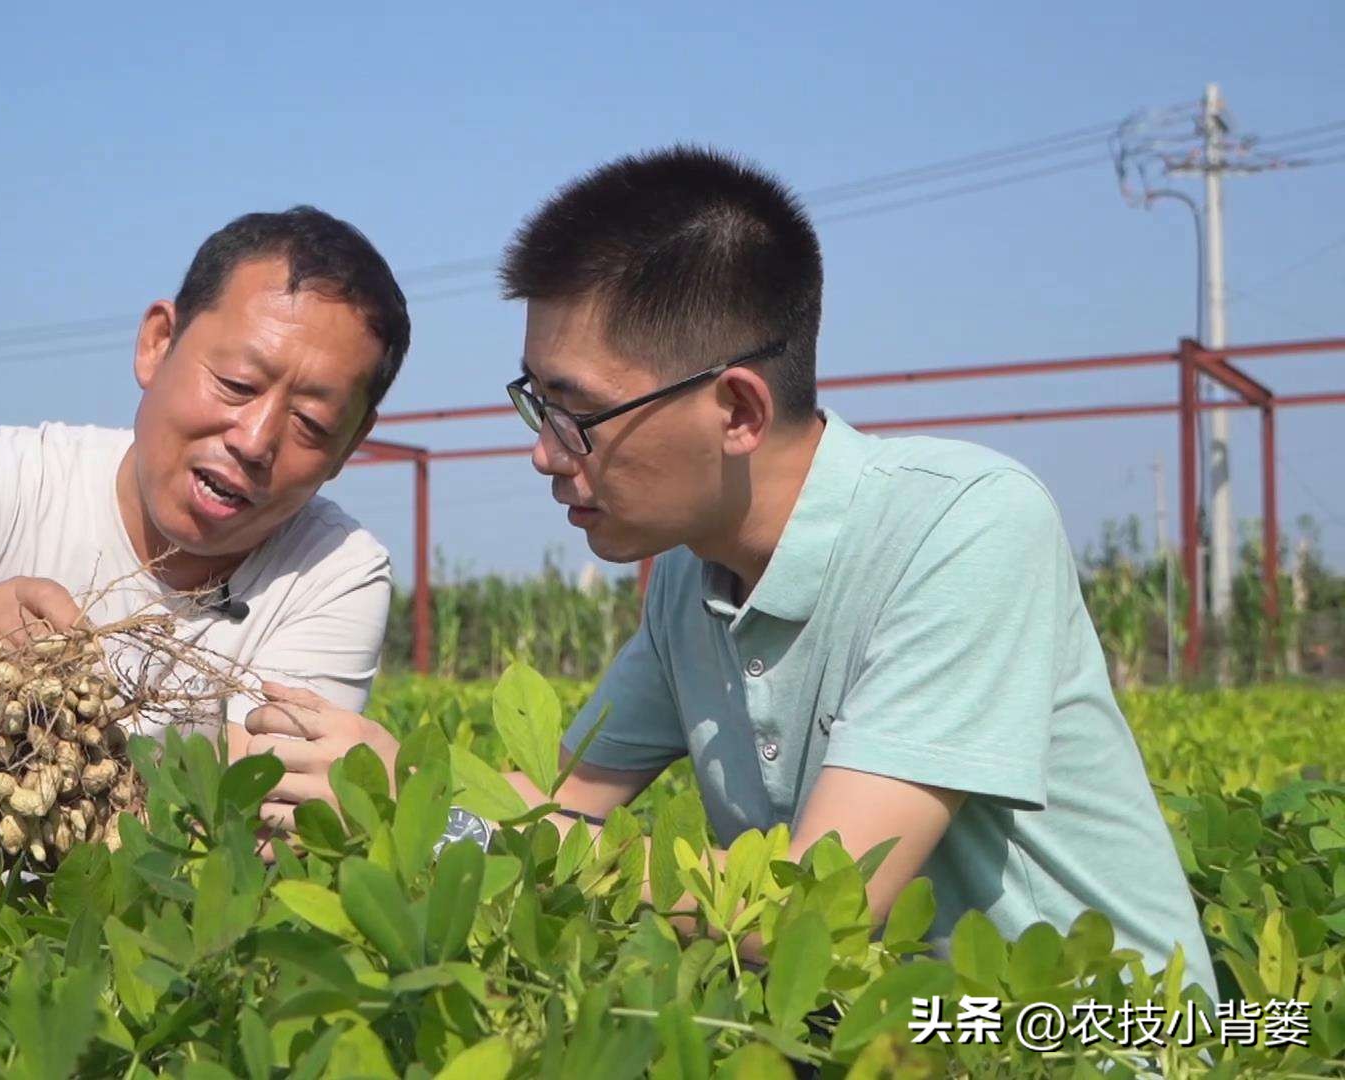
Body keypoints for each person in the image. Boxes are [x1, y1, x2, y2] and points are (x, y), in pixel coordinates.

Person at [244, 147, 1219, 999]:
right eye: (534, 403)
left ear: (739, 411)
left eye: (575, 412)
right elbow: (552, 799)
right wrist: (372, 797)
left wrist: (431, 807)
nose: (545, 453)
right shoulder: (688, 583)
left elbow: (815, 912)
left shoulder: (963, 527)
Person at [0, 205, 409, 757]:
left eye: (311, 423)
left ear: (350, 444)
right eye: (236, 385)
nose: (255, 440)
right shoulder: (15, 478)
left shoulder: (334, 571)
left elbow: (242, 811)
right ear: (157, 344)